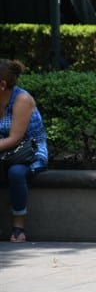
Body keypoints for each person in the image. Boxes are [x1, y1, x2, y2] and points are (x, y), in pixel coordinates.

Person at [0, 59, 48, 243]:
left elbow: (15, 138)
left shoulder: (22, 100)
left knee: (16, 173)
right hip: (4, 150)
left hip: (28, 149)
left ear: (2, 84)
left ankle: (18, 227)